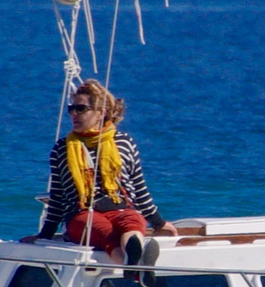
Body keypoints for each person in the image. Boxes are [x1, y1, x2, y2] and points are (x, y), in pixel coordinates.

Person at [37, 80, 175, 265]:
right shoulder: (62, 149)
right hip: (82, 213)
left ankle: (133, 257)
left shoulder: (124, 143)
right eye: (71, 109)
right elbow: (58, 198)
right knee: (105, 231)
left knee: (133, 222)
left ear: (100, 112)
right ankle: (135, 268)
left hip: (120, 206)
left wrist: (158, 223)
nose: (74, 114)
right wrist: (44, 235)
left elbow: (139, 188)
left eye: (81, 108)